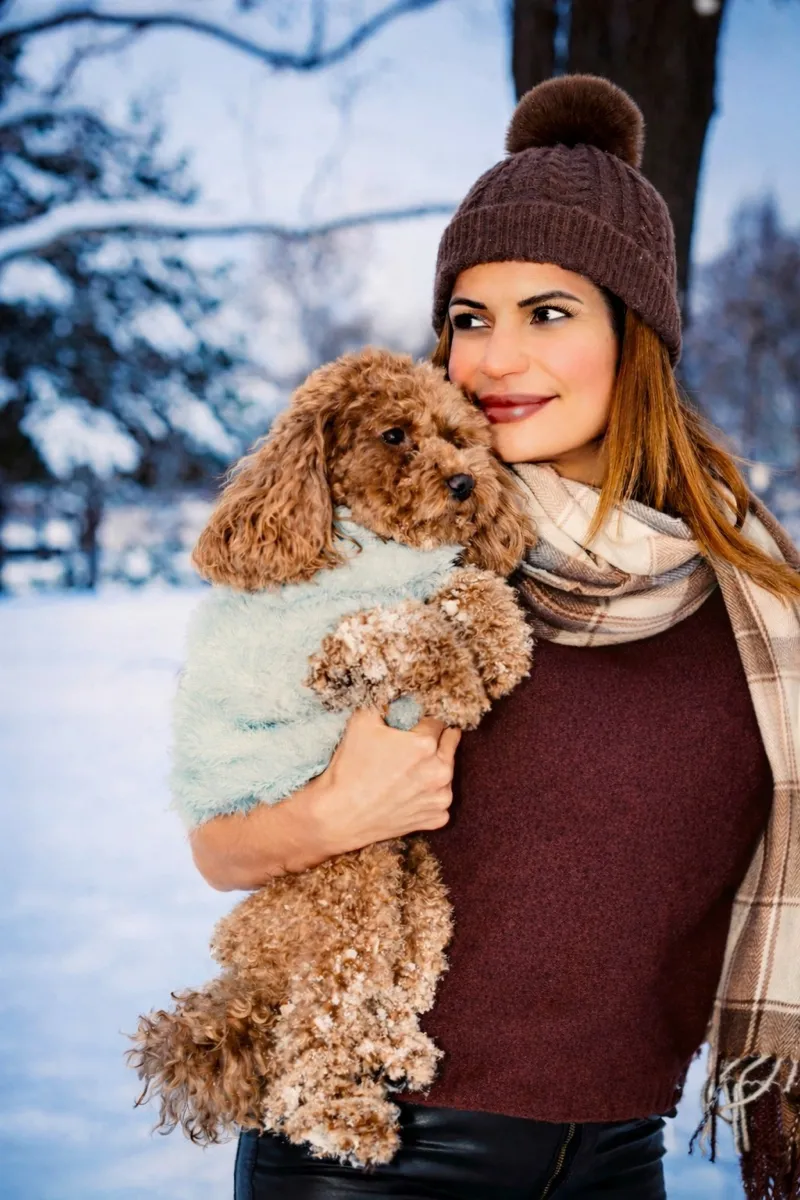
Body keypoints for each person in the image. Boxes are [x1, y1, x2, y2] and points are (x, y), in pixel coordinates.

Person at [188, 75, 800, 1200]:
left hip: (619, 1157)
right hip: (371, 1151)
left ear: (634, 335)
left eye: (547, 314)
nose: (495, 360)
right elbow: (219, 843)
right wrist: (331, 815)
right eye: (470, 319)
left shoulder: (755, 601)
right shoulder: (401, 558)